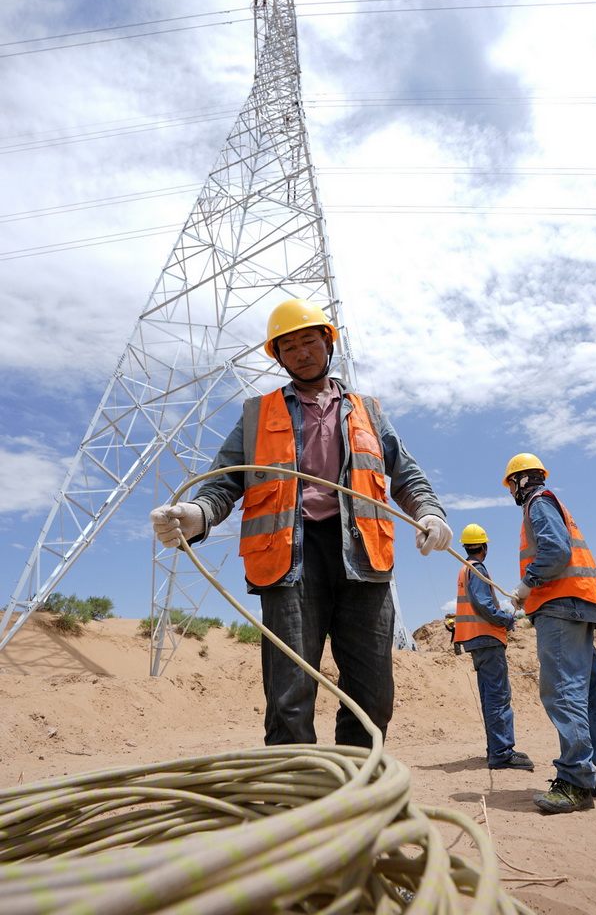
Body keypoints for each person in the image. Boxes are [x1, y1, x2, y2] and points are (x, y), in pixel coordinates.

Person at [150, 298, 454, 749]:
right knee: (289, 692)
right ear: (278, 356)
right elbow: (224, 483)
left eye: (308, 341)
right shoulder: (257, 414)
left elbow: (405, 472)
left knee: (371, 693)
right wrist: (195, 516)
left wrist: (429, 512)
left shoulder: (367, 409)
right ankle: (296, 798)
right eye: (287, 346)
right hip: (288, 559)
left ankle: (357, 791)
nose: (300, 352)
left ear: (328, 343)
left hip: (362, 558)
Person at [504, 452, 596, 814]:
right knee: (592, 693)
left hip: (561, 607)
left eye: (511, 484)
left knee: (562, 691)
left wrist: (527, 584)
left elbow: (556, 550)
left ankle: (576, 781)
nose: (511, 491)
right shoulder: (550, 502)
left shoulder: (537, 502)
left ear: (519, 481)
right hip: (579, 604)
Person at [454, 523, 534, 771]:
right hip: (487, 639)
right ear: (484, 548)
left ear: (467, 546)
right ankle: (501, 752)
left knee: (491, 697)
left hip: (477, 640)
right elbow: (484, 605)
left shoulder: (464, 569)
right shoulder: (477, 570)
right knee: (498, 696)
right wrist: (507, 620)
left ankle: (495, 749)